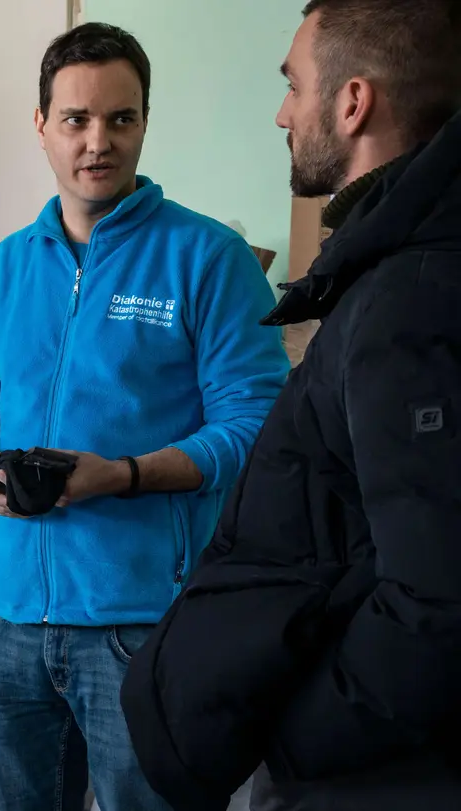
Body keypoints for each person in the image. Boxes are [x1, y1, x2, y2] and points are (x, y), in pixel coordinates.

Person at [0, 23, 289, 811]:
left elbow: (256, 421)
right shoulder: (5, 266)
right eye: (77, 120)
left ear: (143, 123)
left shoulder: (207, 258)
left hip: (139, 627)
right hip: (4, 618)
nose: (99, 141)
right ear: (41, 126)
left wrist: (124, 476)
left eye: (120, 119)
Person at [120, 2, 461, 810]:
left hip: (365, 772)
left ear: (352, 103)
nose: (282, 111)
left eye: (292, 85)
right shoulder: (390, 270)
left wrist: (298, 735)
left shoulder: (408, 301)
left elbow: (437, 603)